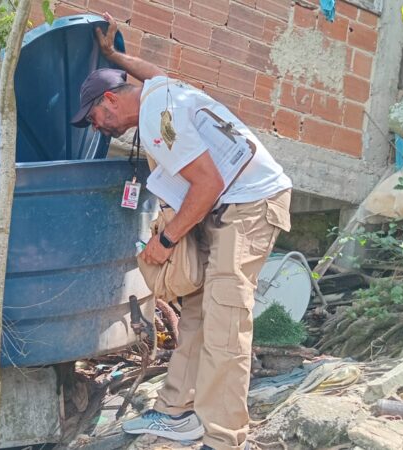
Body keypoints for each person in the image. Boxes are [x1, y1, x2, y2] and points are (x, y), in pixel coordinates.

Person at [70, 13, 293, 450]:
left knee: (226, 316)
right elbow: (153, 72)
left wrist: (166, 240)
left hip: (250, 204)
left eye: (92, 116)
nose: (95, 126)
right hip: (225, 204)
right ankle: (177, 411)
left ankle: (223, 436)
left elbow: (206, 184)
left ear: (111, 100)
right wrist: (116, 56)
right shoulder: (159, 91)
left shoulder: (157, 120)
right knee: (196, 310)